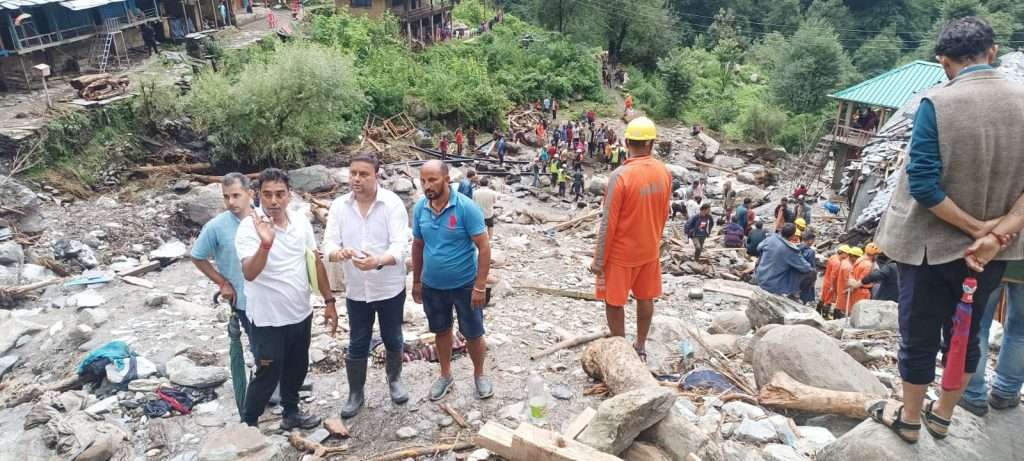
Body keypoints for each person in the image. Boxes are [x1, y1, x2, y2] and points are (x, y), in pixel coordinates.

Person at [871, 17, 1024, 444]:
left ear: (943, 62)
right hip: (993, 252)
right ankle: (944, 415)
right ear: (992, 52)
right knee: (967, 331)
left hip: (929, 246)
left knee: (919, 333)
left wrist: (973, 227)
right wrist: (993, 236)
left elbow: (922, 183)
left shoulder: (936, 103)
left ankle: (911, 418)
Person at [236, 168, 334, 429]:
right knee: (268, 370)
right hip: (267, 318)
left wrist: (329, 301)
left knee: (297, 366)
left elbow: (314, 260)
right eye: (267, 195)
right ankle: (249, 423)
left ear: (289, 195)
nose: (274, 201)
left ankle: (291, 412)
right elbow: (249, 273)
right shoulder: (249, 228)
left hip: (300, 311)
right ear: (258, 197)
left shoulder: (301, 222)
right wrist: (265, 244)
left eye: (280, 194)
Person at [322, 154, 409, 418]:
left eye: (363, 174)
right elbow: (328, 243)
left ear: (377, 174)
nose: (357, 179)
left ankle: (394, 381)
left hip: (389, 286)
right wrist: (339, 254)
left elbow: (400, 246)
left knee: (392, 335)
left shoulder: (392, 204)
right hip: (357, 288)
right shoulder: (339, 206)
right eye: (353, 173)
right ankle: (355, 393)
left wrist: (378, 261)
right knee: (358, 340)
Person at [590, 117, 671, 361]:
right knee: (646, 298)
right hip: (649, 250)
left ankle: (622, 351)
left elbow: (608, 223)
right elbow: (664, 213)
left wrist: (598, 260)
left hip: (621, 254)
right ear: (652, 143)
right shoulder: (663, 172)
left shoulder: (621, 175)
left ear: (626, 142)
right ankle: (641, 345)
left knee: (614, 302)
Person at [412, 160, 493, 400]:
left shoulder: (466, 208)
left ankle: (479, 374)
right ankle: (445, 375)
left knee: (473, 333)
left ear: (447, 179)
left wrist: (480, 285)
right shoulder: (420, 209)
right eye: (423, 180)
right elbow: (418, 245)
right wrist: (417, 281)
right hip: (433, 286)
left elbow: (484, 246)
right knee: (441, 331)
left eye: (432, 179)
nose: (427, 185)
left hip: (465, 285)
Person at [190, 173, 259, 414]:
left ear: (250, 193)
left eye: (236, 195)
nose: (231, 202)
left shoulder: (265, 218)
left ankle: (284, 381)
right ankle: (270, 387)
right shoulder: (217, 226)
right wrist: (222, 282)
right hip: (243, 299)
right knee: (260, 346)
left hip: (274, 296)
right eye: (226, 197)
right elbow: (197, 256)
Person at [960, 261, 1024, 416]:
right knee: (1020, 331)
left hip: (994, 256)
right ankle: (1006, 391)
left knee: (978, 326)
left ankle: (973, 392)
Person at [755, 223, 814, 297]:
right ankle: (794, 293)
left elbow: (758, 248)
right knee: (811, 273)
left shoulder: (771, 238)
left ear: (781, 231)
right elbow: (806, 268)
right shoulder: (790, 250)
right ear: (792, 236)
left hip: (760, 277)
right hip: (773, 286)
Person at [846, 242, 879, 309]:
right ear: (874, 254)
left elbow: (851, 273)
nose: (877, 256)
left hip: (855, 291)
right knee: (860, 310)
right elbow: (863, 280)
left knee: (853, 308)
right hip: (863, 291)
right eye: (877, 255)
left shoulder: (859, 260)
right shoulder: (868, 265)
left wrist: (852, 283)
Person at [820, 245, 850, 316]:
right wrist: (833, 286)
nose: (848, 256)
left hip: (826, 281)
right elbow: (833, 276)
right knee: (828, 301)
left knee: (823, 298)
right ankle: (825, 315)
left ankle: (818, 311)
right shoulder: (837, 263)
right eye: (847, 254)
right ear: (843, 253)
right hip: (831, 284)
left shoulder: (833, 257)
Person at [833, 246, 861, 318]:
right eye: (857, 257)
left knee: (839, 305)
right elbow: (847, 281)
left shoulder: (844, 261)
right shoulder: (848, 267)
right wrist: (854, 286)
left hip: (841, 287)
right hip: (844, 290)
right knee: (842, 307)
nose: (858, 260)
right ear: (852, 256)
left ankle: (835, 318)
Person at [798, 231, 817, 304]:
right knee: (804, 296)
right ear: (810, 240)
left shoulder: (796, 247)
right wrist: (814, 279)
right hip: (806, 277)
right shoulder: (810, 252)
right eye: (813, 240)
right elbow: (812, 267)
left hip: (796, 275)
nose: (813, 242)